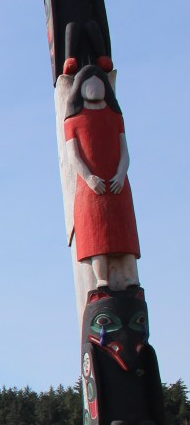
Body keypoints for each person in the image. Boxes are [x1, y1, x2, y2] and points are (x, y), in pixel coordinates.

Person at [64, 65, 138, 289]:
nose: (95, 88)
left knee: (124, 235)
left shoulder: (115, 117)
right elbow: (73, 156)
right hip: (91, 188)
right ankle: (101, 278)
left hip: (117, 184)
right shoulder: (73, 121)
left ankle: (130, 277)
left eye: (99, 83)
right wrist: (89, 178)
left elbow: (125, 151)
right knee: (96, 236)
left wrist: (121, 173)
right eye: (89, 83)